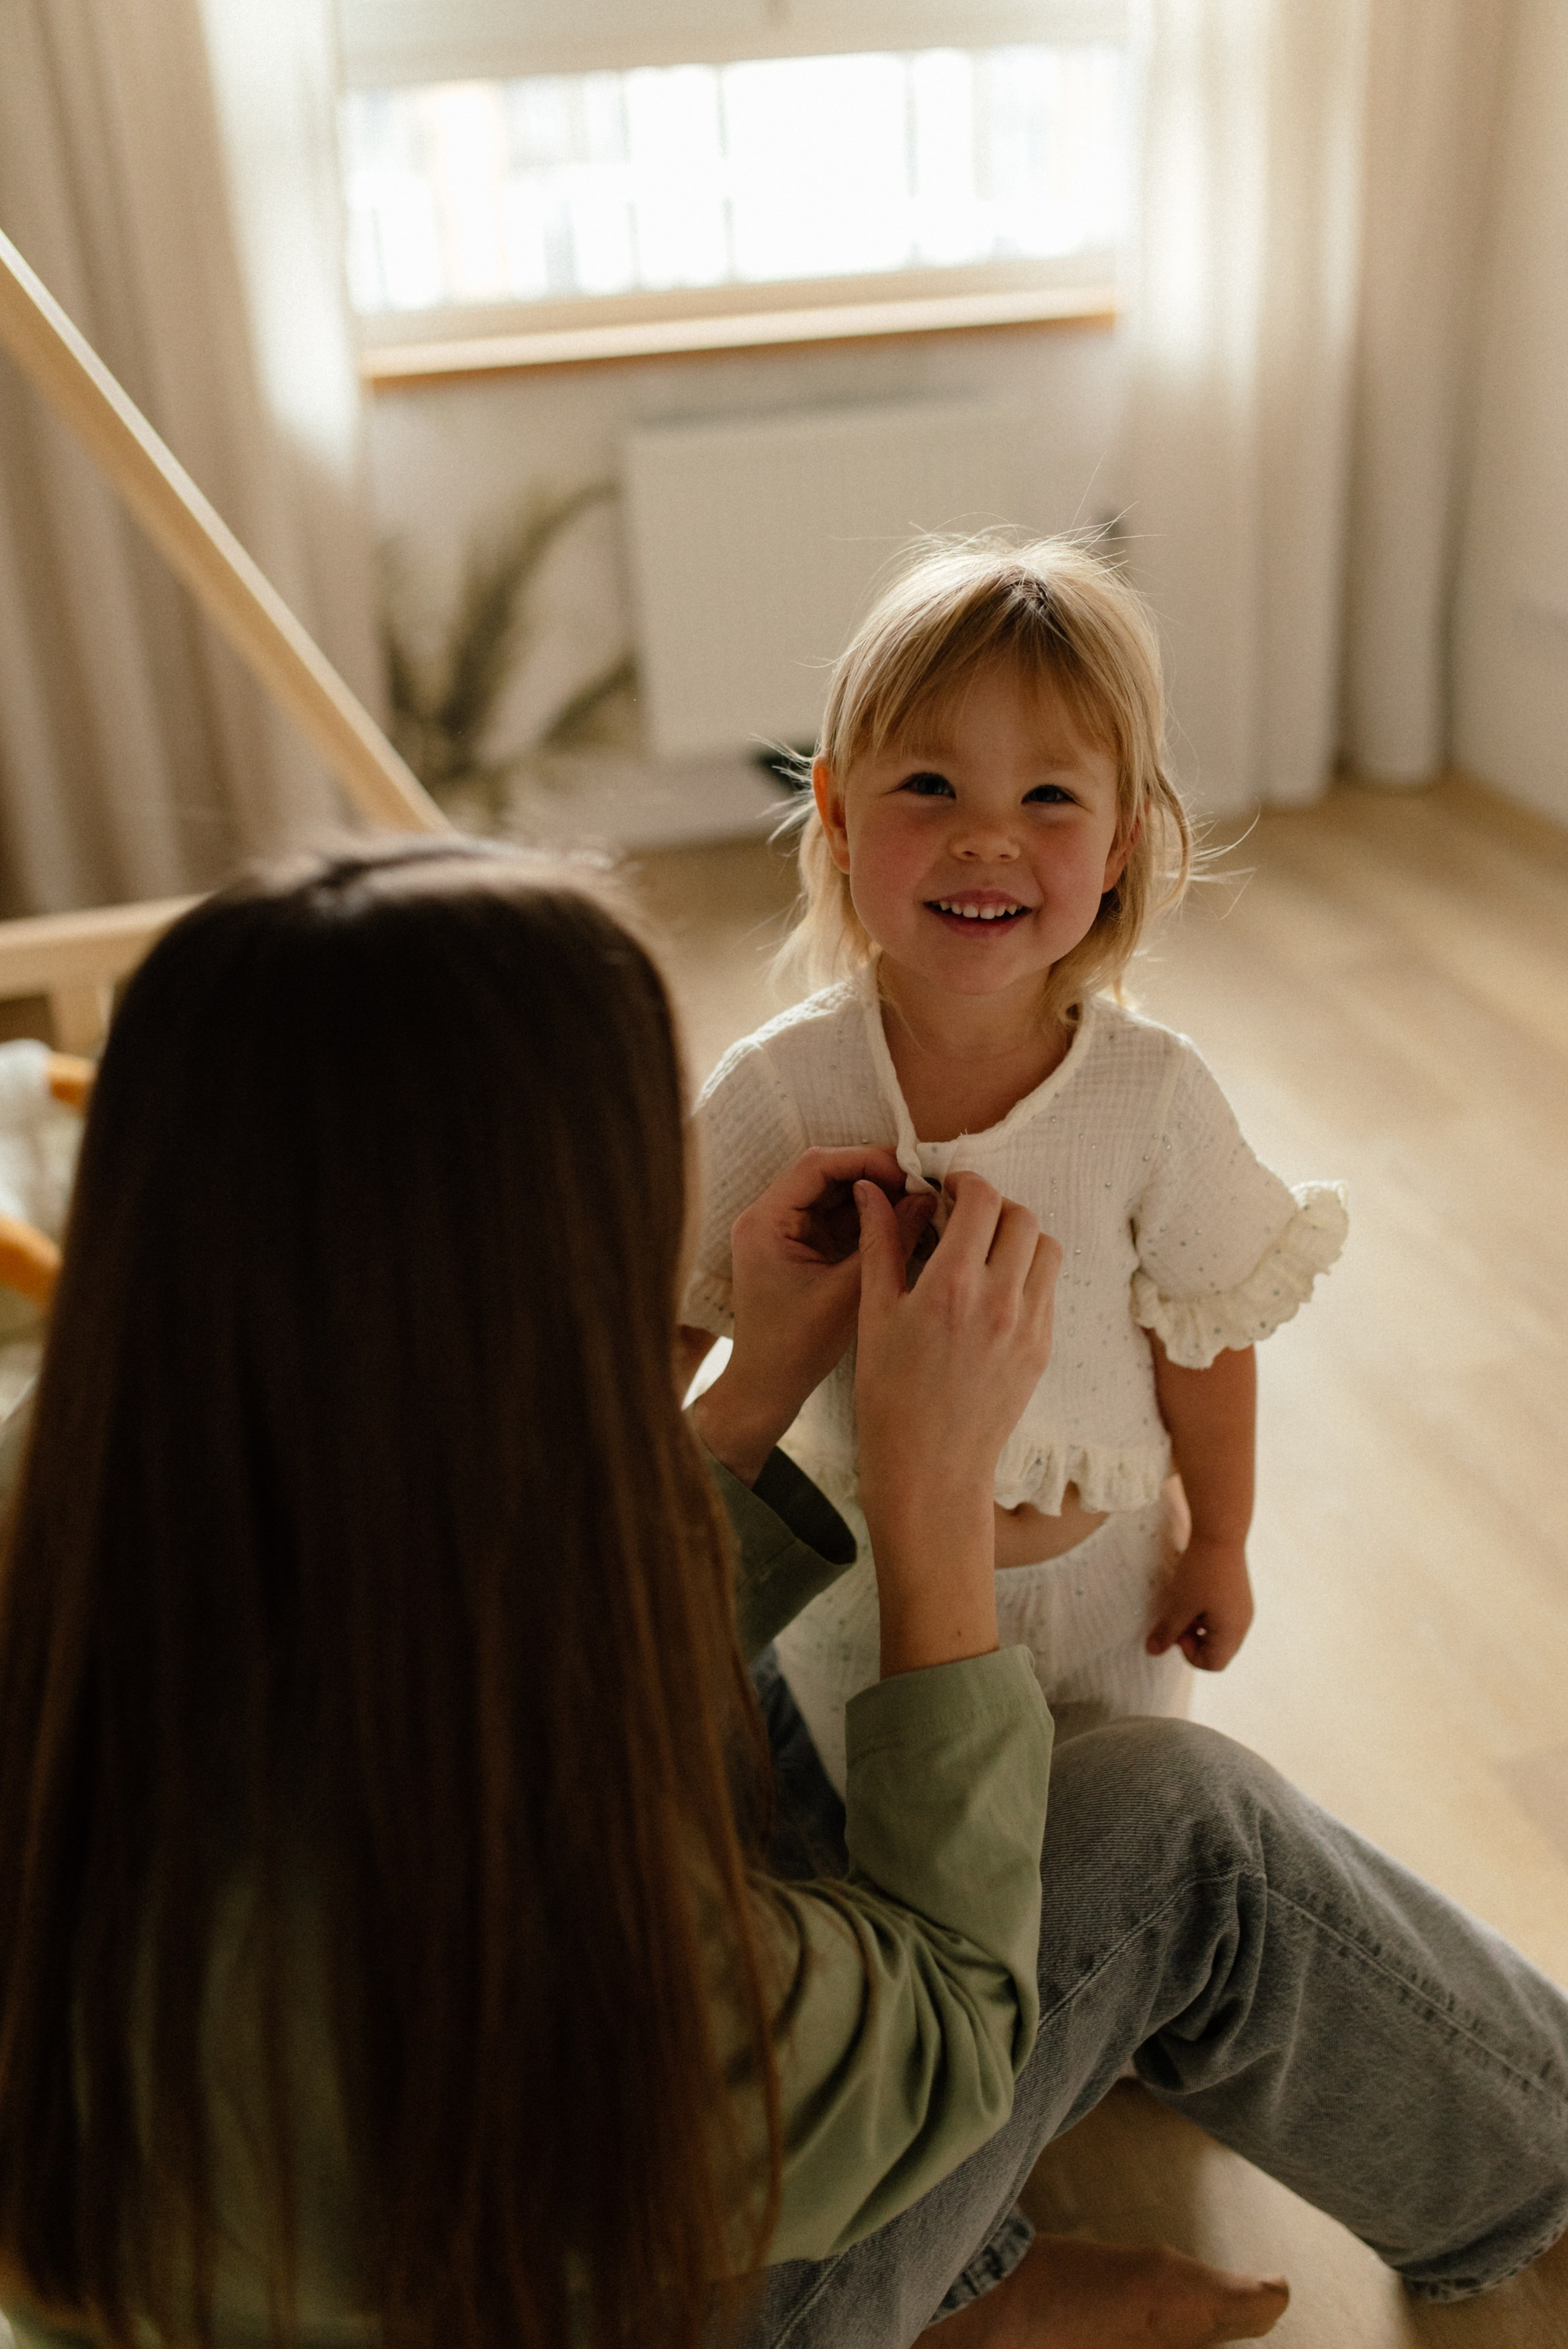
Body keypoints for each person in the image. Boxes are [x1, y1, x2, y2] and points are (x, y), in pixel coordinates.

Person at [0, 840, 1562, 2349]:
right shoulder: (536, 1940)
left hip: (285, 2271)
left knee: (764, 1693)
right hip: (616, 2293)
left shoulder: (75, 1476)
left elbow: (492, 1669)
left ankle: (964, 2282)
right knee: (1184, 1828)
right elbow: (948, 2030)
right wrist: (929, 1498)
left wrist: (751, 1399)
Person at [679, 537, 1348, 1793]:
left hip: (1107, 1597)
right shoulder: (784, 1088)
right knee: (908, 1842)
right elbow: (669, 1318)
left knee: (1108, 1825)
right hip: (862, 1617)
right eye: (929, 785)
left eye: (1047, 797)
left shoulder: (1151, 1094)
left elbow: (1203, 1340)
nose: (986, 839)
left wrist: (1222, 1538)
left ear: (1120, 845)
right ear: (837, 813)